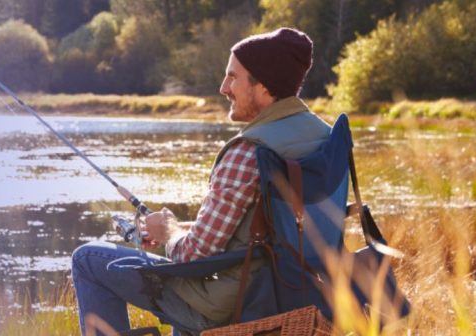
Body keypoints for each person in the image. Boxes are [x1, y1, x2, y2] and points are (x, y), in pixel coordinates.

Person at [72, 27, 330, 335]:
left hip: (230, 306)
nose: (223, 87)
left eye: (233, 77)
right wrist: (181, 228)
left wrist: (168, 233)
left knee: (87, 259)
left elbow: (191, 255)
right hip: (298, 291)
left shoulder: (248, 151)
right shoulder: (324, 137)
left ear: (263, 86)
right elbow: (267, 228)